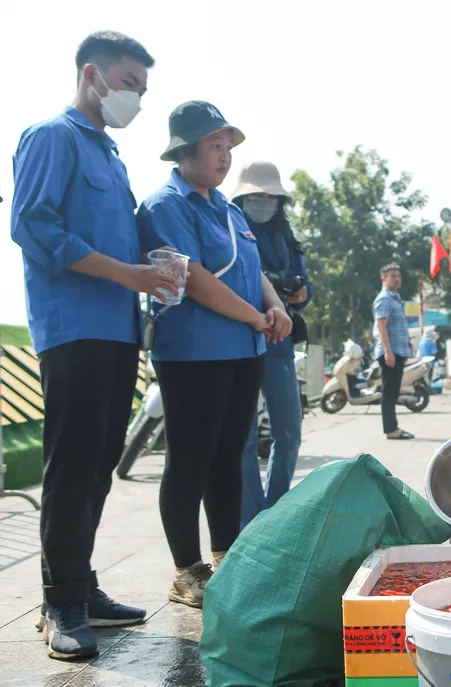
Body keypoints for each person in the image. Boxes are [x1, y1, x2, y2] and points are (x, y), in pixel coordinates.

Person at [11, 31, 168, 660]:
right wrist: (126, 274)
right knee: (72, 467)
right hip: (71, 327)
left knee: (99, 464)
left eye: (144, 90)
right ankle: (60, 603)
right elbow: (33, 224)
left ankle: (82, 585)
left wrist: (153, 270)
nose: (137, 98)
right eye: (131, 84)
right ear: (92, 75)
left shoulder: (110, 155)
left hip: (116, 329)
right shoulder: (51, 136)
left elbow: (120, 242)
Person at [138, 101, 292, 609]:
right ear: (184, 150)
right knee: (190, 459)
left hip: (243, 350)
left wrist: (273, 307)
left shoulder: (226, 208)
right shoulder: (166, 205)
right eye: (214, 145)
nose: (224, 156)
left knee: (229, 456)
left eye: (228, 146)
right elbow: (196, 280)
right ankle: (186, 571)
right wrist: (254, 316)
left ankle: (226, 558)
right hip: (194, 352)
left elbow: (255, 268)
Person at [231, 162, 311, 530]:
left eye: (270, 197)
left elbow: (304, 291)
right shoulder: (230, 227)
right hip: (240, 337)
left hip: (280, 342)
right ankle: (251, 518)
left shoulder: (286, 237)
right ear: (242, 198)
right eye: (256, 196)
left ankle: (275, 512)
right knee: (243, 435)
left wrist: (299, 292)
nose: (263, 202)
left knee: (290, 431)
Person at [372, 264, 413, 439]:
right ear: (384, 278)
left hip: (398, 351)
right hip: (390, 352)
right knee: (389, 392)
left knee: (394, 391)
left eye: (398, 275)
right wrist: (388, 352)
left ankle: (393, 427)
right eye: (392, 276)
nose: (397, 279)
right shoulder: (384, 299)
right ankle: (391, 429)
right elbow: (381, 326)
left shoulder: (396, 298)